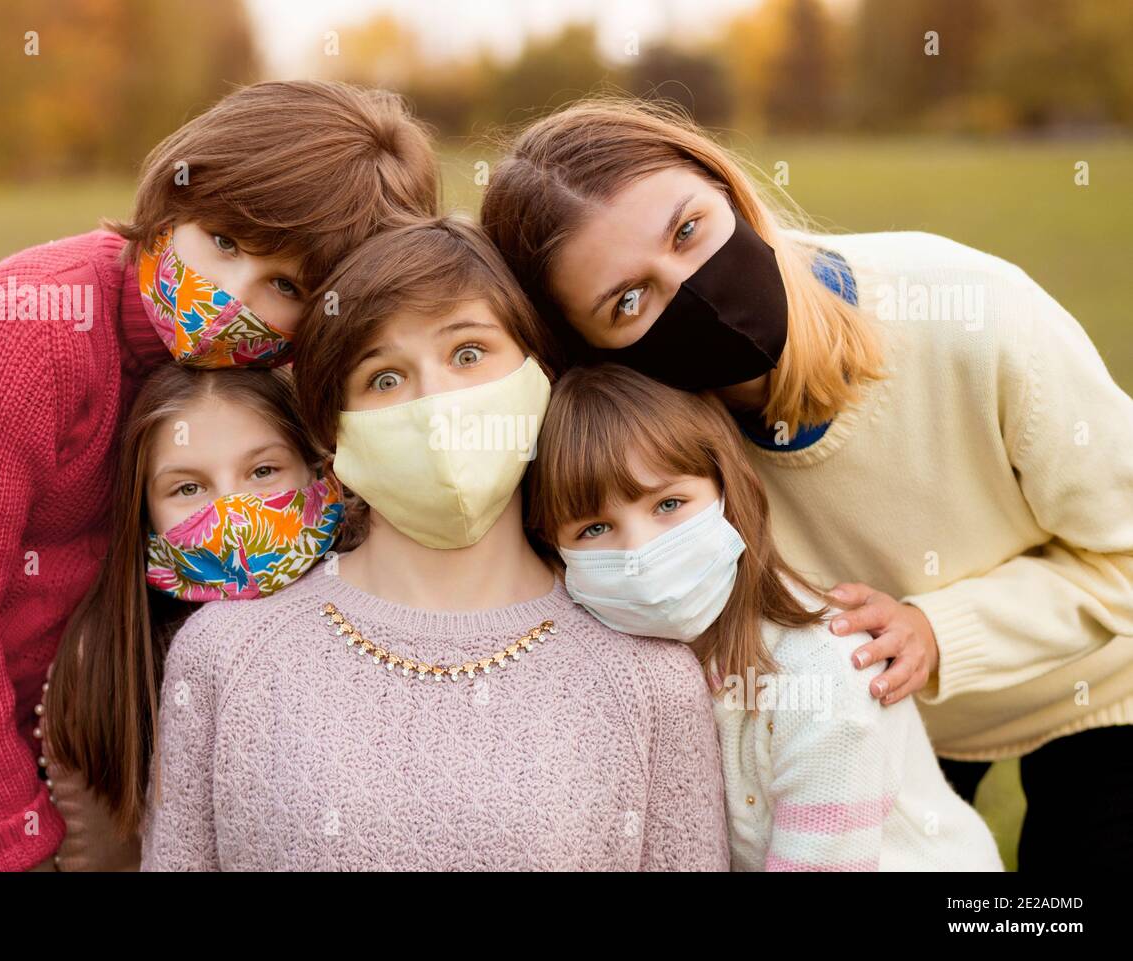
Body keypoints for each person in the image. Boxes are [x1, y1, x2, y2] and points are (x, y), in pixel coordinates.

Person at [481, 97, 1133, 869]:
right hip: (873, 710)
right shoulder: (658, 457)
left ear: (725, 183)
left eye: (689, 230)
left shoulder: (974, 312)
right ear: (592, 351)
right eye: (627, 301)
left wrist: (936, 630)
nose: (690, 288)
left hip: (1091, 685)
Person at [0, 80, 437, 871]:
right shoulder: (24, 340)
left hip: (5, 753)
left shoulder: (234, 384)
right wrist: (13, 838)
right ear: (176, 196)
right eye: (222, 240)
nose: (229, 295)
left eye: (284, 287)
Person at [139, 217, 730, 871]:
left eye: (469, 354)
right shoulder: (225, 654)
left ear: (542, 374)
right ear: (335, 435)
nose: (435, 402)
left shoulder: (650, 678)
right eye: (384, 379)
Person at [527, 363, 1003, 870]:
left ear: (730, 493)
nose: (642, 552)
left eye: (669, 503)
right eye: (595, 529)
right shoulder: (604, 667)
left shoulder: (823, 672)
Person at [38, 364, 344, 871]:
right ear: (147, 518)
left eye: (263, 472)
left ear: (317, 472)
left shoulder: (382, 604)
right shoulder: (108, 661)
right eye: (187, 489)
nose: (233, 510)